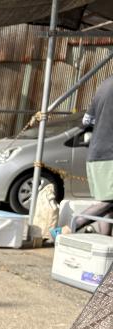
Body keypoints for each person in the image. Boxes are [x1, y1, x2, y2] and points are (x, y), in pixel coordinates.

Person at [52, 77, 113, 239]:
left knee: (107, 202)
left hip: (95, 153)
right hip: (110, 154)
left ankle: (104, 245)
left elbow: (87, 120)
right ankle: (71, 226)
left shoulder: (104, 85)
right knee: (109, 201)